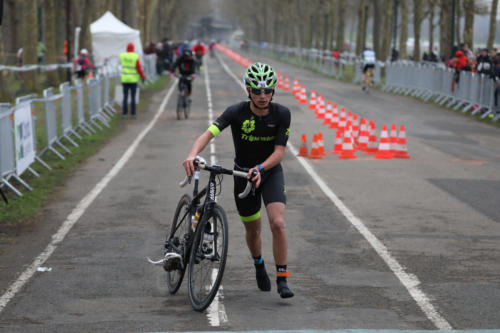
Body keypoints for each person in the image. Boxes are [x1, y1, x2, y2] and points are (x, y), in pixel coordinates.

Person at [181, 62, 294, 299]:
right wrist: (192, 154)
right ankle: (258, 263)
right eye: (257, 90)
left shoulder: (282, 114)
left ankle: (282, 277)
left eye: (267, 91)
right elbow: (208, 134)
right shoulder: (236, 112)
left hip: (270, 172)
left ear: (273, 91)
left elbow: (279, 152)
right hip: (243, 175)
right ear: (248, 91)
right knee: (253, 231)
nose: (262, 96)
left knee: (277, 223)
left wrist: (261, 168)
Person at [120, 42, 146, 119]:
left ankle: (124, 113)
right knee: (133, 97)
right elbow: (138, 68)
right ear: (133, 48)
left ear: (127, 48)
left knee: (125, 97)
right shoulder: (135, 56)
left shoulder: (122, 56)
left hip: (125, 79)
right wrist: (143, 76)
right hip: (133, 80)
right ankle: (133, 113)